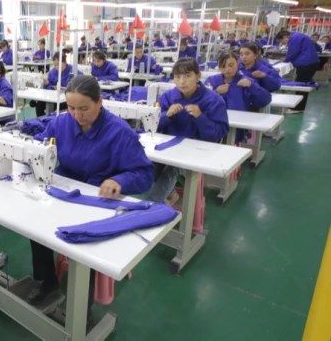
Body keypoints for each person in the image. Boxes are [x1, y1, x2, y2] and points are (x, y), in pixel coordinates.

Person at [29, 76, 153, 317]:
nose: (77, 115)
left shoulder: (120, 133)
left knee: (86, 244)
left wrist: (119, 181)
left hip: (98, 198)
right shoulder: (61, 122)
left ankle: (81, 308)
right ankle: (48, 280)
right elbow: (40, 145)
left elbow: (145, 174)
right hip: (65, 189)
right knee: (36, 224)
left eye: (84, 108)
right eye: (71, 107)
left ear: (100, 102)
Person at [150, 58, 228, 204]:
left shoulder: (213, 100)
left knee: (172, 168)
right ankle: (170, 195)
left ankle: (151, 205)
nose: (182, 81)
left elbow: (219, 134)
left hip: (199, 149)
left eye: (187, 76)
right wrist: (167, 115)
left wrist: (200, 117)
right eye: (177, 76)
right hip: (169, 145)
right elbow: (153, 126)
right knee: (148, 165)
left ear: (198, 76)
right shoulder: (168, 97)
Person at [205, 52, 271, 143]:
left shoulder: (247, 81)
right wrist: (215, 92)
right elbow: (201, 100)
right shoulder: (211, 81)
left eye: (231, 65)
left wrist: (252, 86)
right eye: (223, 66)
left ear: (238, 62)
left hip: (237, 125)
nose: (227, 69)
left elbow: (266, 100)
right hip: (214, 123)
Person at [279, 31, 320, 112]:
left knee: (302, 86)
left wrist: (285, 60)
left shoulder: (294, 38)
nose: (283, 43)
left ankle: (299, 108)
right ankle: (300, 106)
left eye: (282, 41)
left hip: (306, 64)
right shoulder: (298, 36)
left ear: (285, 37)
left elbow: (293, 51)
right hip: (310, 63)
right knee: (303, 84)